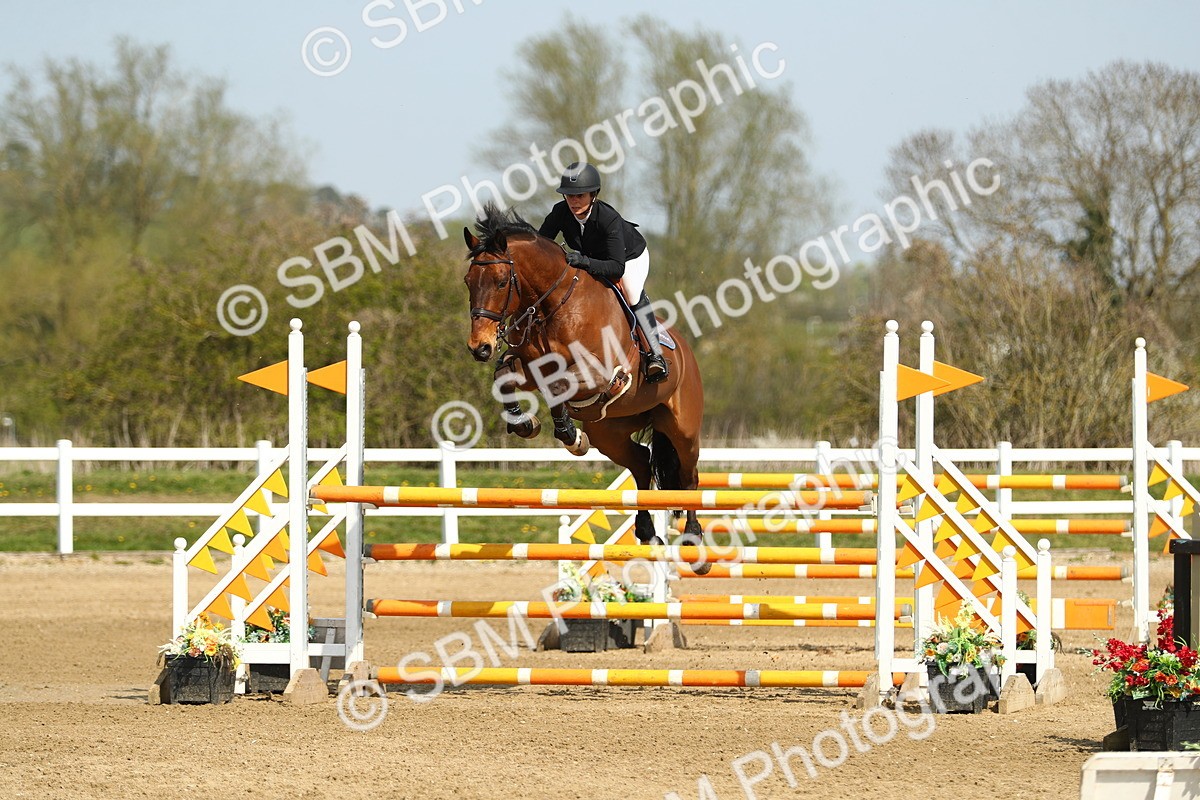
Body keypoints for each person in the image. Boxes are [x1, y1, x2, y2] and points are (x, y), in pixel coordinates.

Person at [538, 162, 669, 383]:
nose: (573, 201)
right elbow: (541, 243)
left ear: (593, 195)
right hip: (590, 258)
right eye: (569, 196)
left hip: (629, 257)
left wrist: (584, 261)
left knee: (631, 291)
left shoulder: (609, 219)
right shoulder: (560, 212)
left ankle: (655, 354)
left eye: (579, 195)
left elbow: (616, 267)